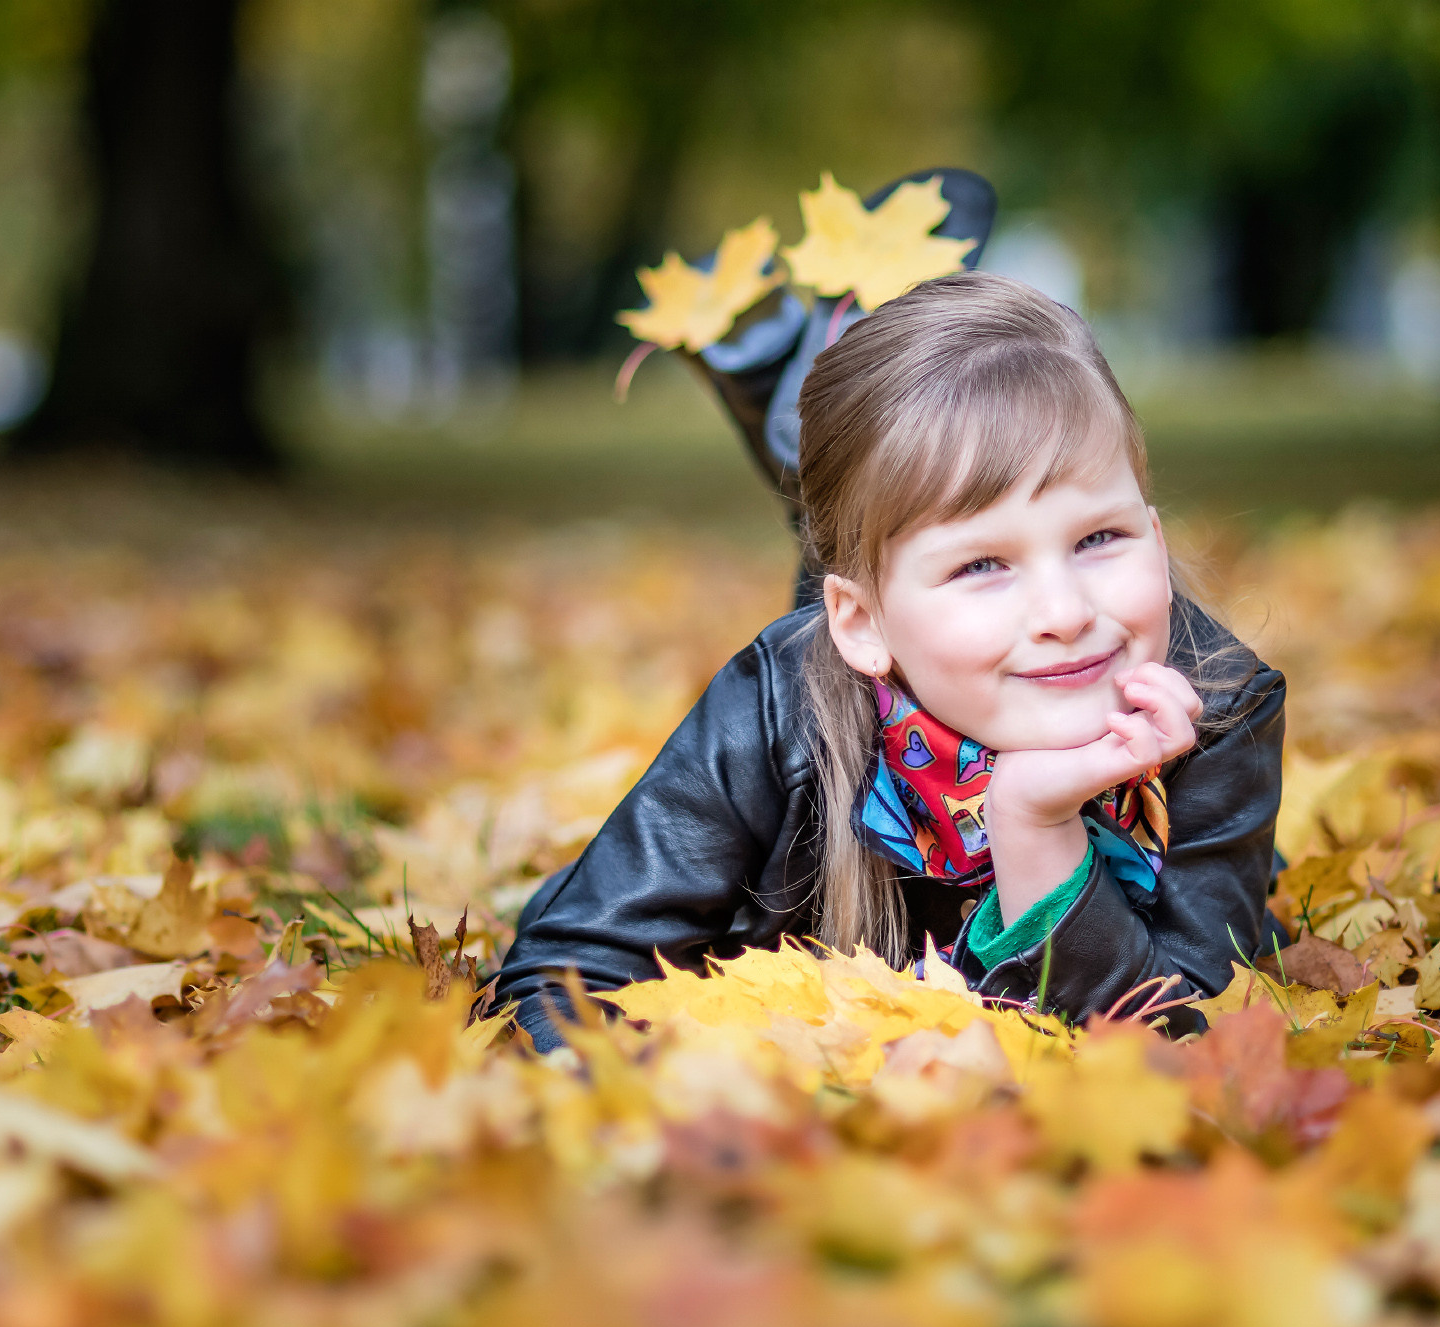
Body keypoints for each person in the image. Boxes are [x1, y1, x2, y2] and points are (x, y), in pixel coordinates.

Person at [496, 271, 1285, 1051]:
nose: (1067, 613)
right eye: (982, 563)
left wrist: (1038, 834)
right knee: (842, 624)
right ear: (862, 621)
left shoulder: (1219, 706)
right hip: (851, 669)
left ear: (1153, 530)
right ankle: (801, 411)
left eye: (1098, 538)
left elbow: (1189, 1042)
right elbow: (555, 978)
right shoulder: (776, 712)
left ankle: (809, 412)